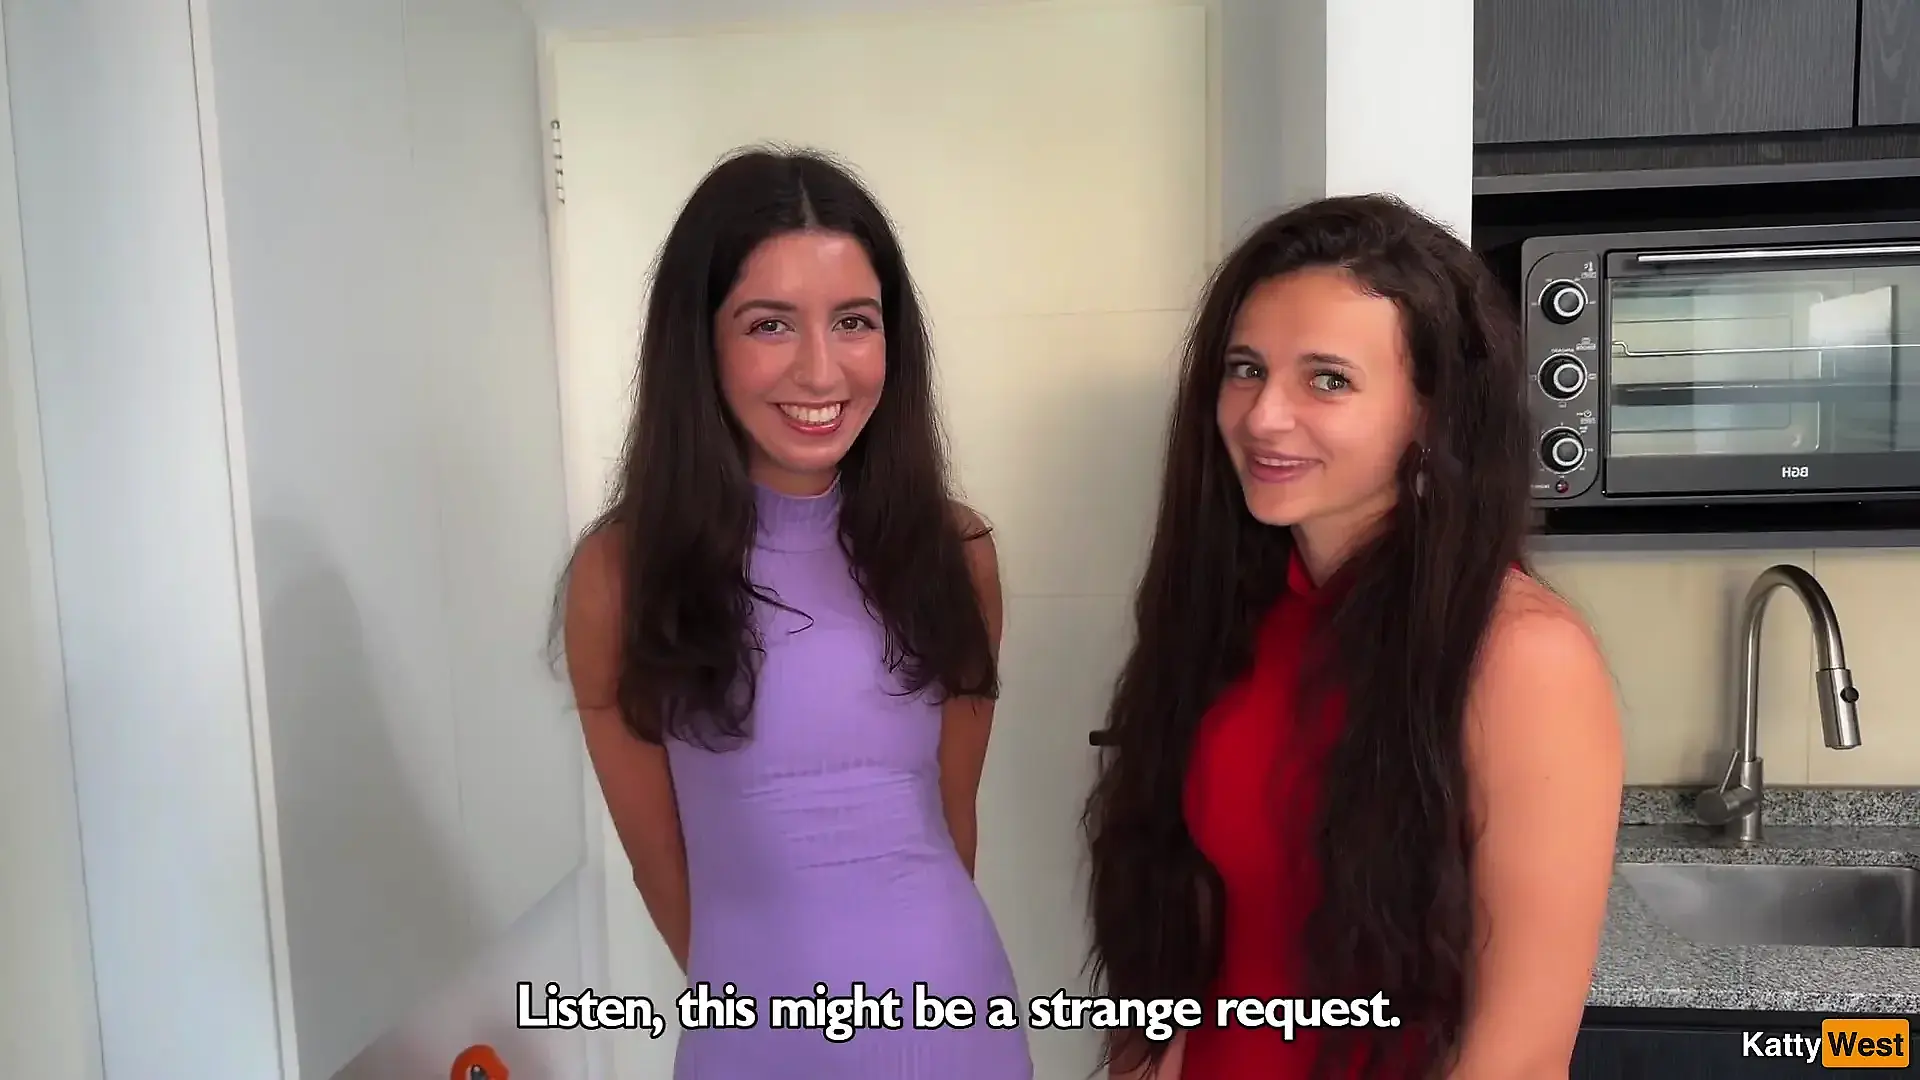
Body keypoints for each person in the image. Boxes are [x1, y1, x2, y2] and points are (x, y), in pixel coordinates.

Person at [1082, 194, 1624, 1079]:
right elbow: (1177, 948)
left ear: (1431, 413)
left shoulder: (1521, 654)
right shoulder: (1229, 617)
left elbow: (1519, 1056)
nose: (1264, 416)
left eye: (1327, 379)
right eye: (1246, 369)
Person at [556, 146, 1032, 1079]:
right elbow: (663, 869)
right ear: (700, 342)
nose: (821, 371)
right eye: (769, 323)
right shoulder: (619, 577)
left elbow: (951, 825)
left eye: (854, 321)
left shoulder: (955, 551)